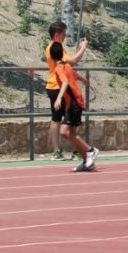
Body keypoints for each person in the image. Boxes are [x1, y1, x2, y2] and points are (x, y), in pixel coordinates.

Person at [50, 42, 98, 172]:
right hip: (75, 103)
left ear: (51, 56)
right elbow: (73, 74)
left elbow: (65, 81)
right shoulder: (66, 65)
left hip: (74, 104)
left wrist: (59, 98)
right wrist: (83, 80)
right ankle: (87, 163)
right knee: (71, 133)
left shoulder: (59, 68)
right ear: (62, 53)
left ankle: (90, 150)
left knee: (64, 132)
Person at [44, 22, 88, 160]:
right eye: (63, 34)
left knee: (61, 119)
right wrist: (83, 48)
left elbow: (67, 64)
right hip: (59, 88)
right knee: (65, 118)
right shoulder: (54, 48)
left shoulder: (55, 48)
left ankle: (71, 150)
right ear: (57, 34)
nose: (64, 36)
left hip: (55, 87)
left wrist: (79, 77)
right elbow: (73, 61)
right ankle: (63, 151)